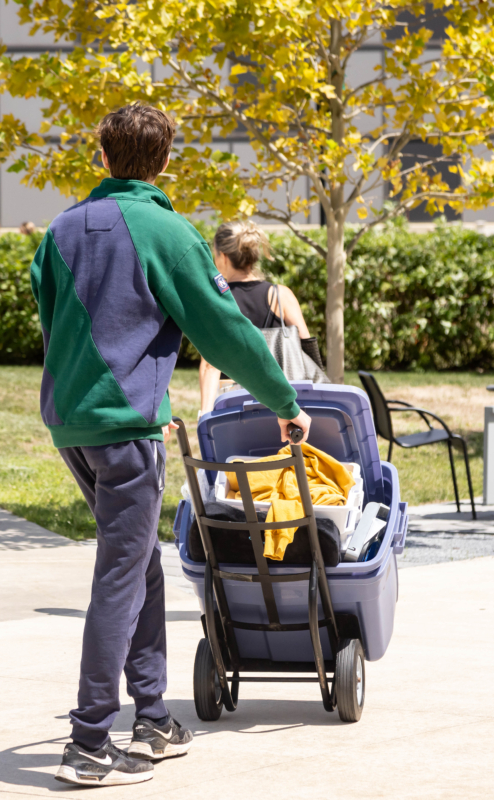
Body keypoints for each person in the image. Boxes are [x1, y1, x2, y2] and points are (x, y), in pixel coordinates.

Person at [30, 103, 311, 788]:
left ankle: (152, 716)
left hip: (73, 423)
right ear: (164, 163)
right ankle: (90, 739)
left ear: (100, 156)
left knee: (138, 564)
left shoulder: (59, 230)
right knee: (120, 573)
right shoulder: (168, 231)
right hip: (125, 426)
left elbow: (50, 316)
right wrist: (283, 401)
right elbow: (223, 331)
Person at [198, 220, 324, 412]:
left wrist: (204, 416)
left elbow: (210, 366)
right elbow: (307, 347)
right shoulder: (280, 296)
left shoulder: (218, 300)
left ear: (223, 256)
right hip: (283, 401)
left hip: (236, 405)